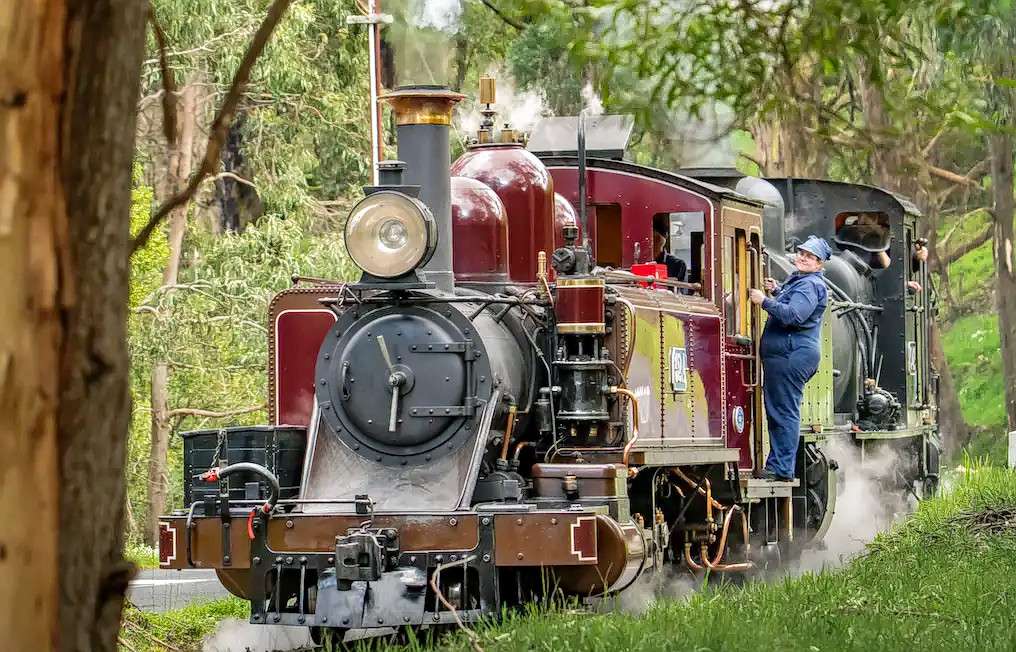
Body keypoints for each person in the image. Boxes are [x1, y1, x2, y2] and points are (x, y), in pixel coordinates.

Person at [748, 236, 831, 482]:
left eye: (811, 257)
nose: (803, 258)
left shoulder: (809, 285)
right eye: (802, 253)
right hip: (788, 354)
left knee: (783, 411)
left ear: (819, 264)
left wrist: (764, 301)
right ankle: (779, 465)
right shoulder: (802, 281)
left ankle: (782, 468)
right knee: (780, 410)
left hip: (791, 355)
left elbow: (794, 315)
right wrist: (777, 291)